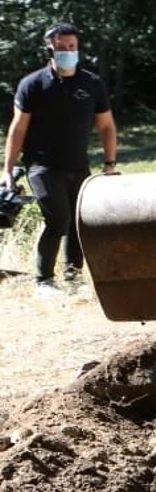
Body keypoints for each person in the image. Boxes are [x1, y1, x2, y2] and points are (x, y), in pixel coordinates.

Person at [5, 23, 120, 298]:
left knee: (77, 223)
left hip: (78, 166)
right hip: (42, 166)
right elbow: (18, 129)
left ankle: (73, 276)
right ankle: (43, 281)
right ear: (50, 49)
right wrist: (7, 170)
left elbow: (106, 126)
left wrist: (109, 164)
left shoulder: (91, 84)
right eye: (61, 47)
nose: (68, 51)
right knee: (58, 219)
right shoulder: (32, 85)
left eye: (72, 47)